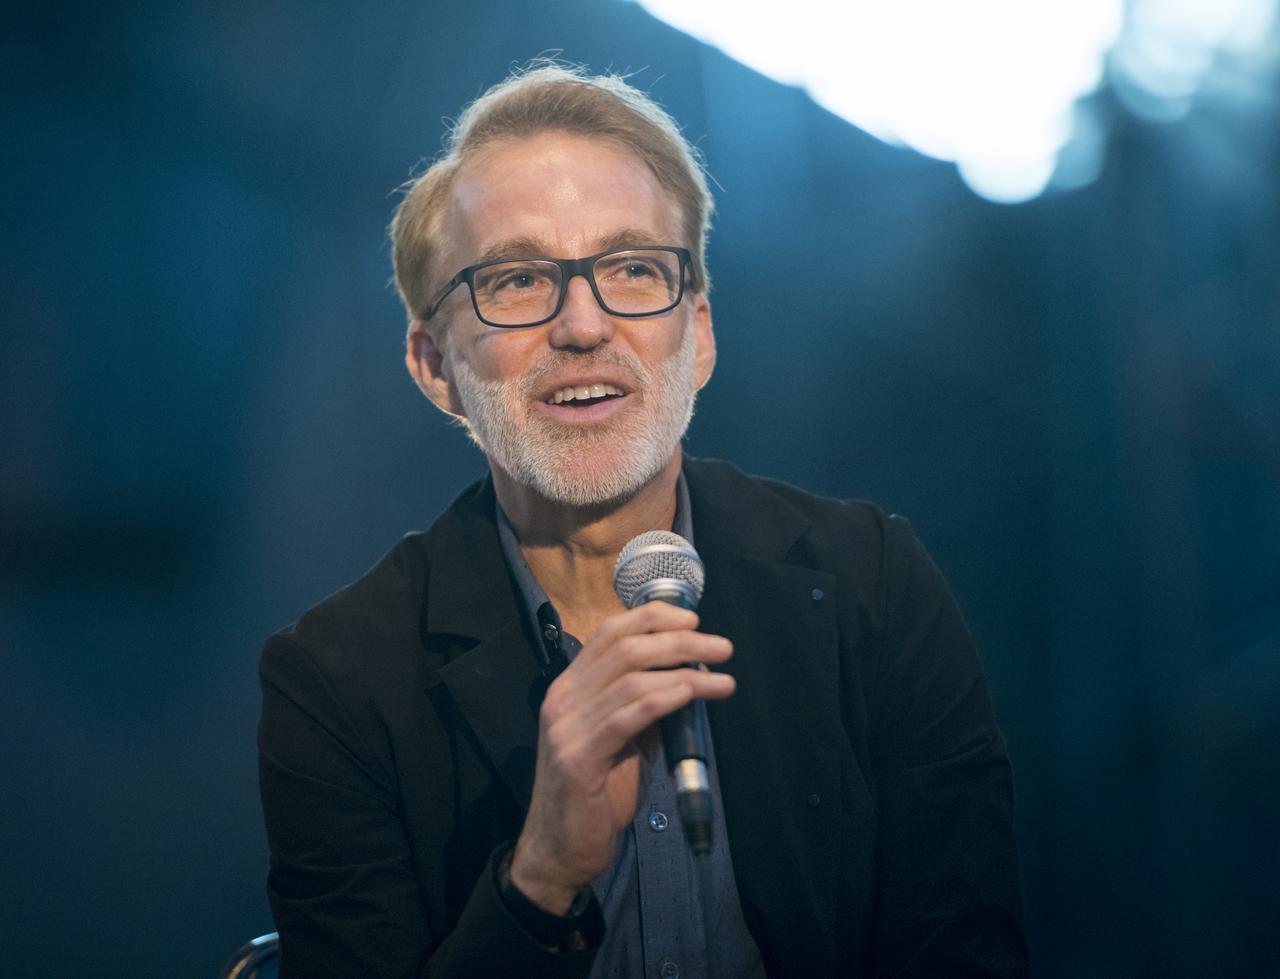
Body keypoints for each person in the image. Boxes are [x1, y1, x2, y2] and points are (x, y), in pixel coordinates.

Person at [257, 63, 1028, 978]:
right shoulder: (334, 682)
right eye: (517, 280)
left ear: (698, 334)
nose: (584, 325)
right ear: (435, 367)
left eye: (632, 269)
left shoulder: (873, 584)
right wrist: (540, 876)